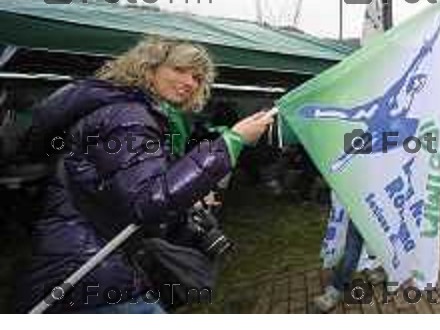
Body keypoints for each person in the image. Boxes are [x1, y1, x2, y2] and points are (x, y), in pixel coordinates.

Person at [18, 37, 273, 313]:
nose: (189, 82)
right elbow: (147, 201)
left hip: (86, 259)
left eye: (198, 78)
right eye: (179, 69)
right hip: (93, 270)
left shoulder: (126, 109)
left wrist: (188, 192)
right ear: (149, 68)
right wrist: (230, 143)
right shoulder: (129, 116)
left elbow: (133, 185)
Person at [313, 217, 386, 313]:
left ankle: (335, 291)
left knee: (381, 241)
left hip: (383, 209)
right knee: (353, 246)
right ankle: (336, 289)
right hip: (365, 209)